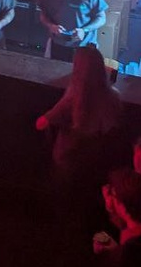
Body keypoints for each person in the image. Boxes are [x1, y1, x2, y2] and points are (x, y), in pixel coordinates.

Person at [35, 45, 123, 204]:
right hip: (94, 162)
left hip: (67, 160)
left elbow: (42, 123)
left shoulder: (73, 98)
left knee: (64, 200)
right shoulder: (113, 98)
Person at [37, 0, 108, 62]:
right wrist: (51, 26)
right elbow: (43, 15)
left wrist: (84, 30)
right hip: (59, 44)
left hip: (84, 45)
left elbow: (102, 18)